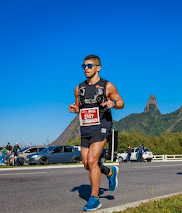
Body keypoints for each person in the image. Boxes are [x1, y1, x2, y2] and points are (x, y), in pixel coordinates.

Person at [69, 55, 124, 211]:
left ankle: (94, 199)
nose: (86, 68)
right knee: (87, 164)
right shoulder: (79, 88)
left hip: (102, 126)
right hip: (86, 127)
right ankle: (109, 172)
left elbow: (121, 102)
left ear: (98, 67)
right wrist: (75, 109)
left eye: (89, 65)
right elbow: (79, 107)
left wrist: (113, 103)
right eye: (84, 66)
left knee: (93, 160)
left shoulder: (107, 86)